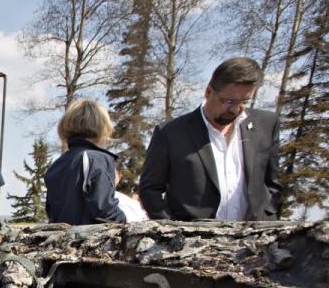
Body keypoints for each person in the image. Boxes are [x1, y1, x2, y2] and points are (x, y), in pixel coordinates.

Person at [139, 57, 282, 221]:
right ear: (208, 92)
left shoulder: (267, 125)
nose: (235, 109)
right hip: (194, 242)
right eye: (228, 101)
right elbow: (150, 189)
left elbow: (273, 183)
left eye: (244, 101)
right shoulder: (170, 133)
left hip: (254, 239)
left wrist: (268, 213)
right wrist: (172, 230)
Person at [44, 99, 126, 225]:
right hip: (90, 240)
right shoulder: (97, 159)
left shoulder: (57, 164)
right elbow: (104, 210)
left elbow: (52, 212)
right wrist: (125, 222)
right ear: (103, 126)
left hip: (59, 240)